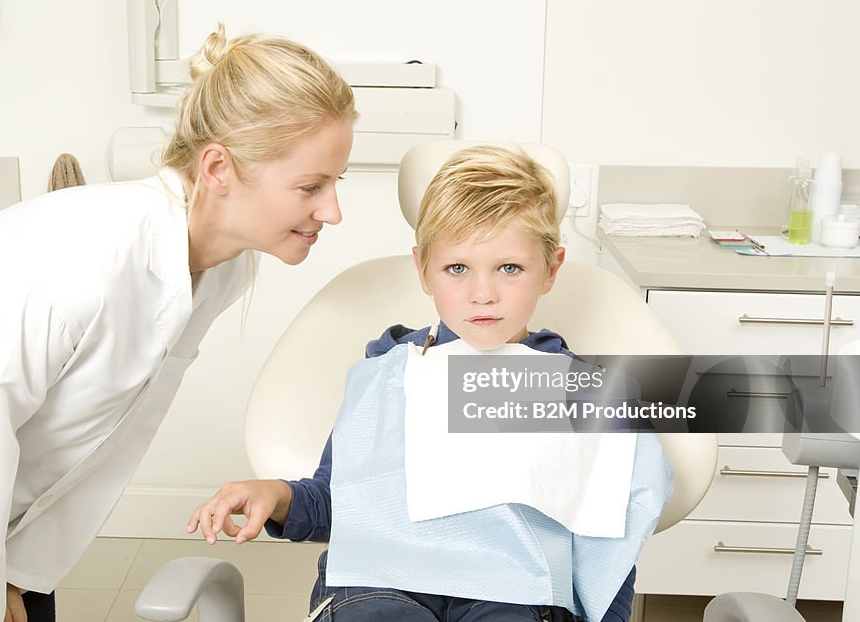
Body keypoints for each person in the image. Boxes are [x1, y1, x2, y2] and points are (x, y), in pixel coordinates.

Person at [0, 24, 357, 622]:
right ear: (217, 168)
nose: (333, 210)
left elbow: (111, 440)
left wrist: (19, 574)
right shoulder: (82, 259)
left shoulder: (220, 269)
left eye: (334, 183)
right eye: (310, 186)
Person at [188, 145, 671, 622]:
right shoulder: (388, 375)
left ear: (551, 269)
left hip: (512, 594)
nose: (483, 293)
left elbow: (609, 537)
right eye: (456, 268)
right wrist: (275, 496)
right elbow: (343, 502)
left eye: (510, 268)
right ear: (423, 269)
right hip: (385, 590)